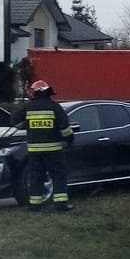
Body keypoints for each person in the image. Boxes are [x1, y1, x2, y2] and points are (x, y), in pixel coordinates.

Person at [19, 79, 75, 211]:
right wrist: (69, 140)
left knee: (36, 176)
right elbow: (65, 128)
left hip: (34, 150)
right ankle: (60, 204)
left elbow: (14, 121)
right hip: (54, 149)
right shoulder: (54, 107)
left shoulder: (28, 107)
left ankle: (35, 205)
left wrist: (27, 125)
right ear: (47, 92)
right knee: (58, 175)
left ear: (35, 93)